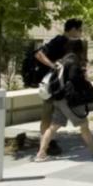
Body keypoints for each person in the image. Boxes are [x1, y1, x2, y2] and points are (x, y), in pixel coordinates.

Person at [35, 38, 93, 162]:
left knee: (53, 127)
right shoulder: (73, 62)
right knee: (84, 125)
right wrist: (85, 81)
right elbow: (74, 80)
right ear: (80, 49)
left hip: (58, 98)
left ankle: (41, 153)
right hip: (70, 101)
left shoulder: (62, 61)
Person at [34, 19, 84, 155]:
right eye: (80, 29)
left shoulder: (78, 44)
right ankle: (46, 145)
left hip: (68, 86)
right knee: (48, 114)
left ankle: (48, 144)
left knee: (68, 116)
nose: (81, 32)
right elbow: (39, 54)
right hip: (54, 84)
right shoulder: (59, 41)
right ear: (72, 29)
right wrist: (53, 65)